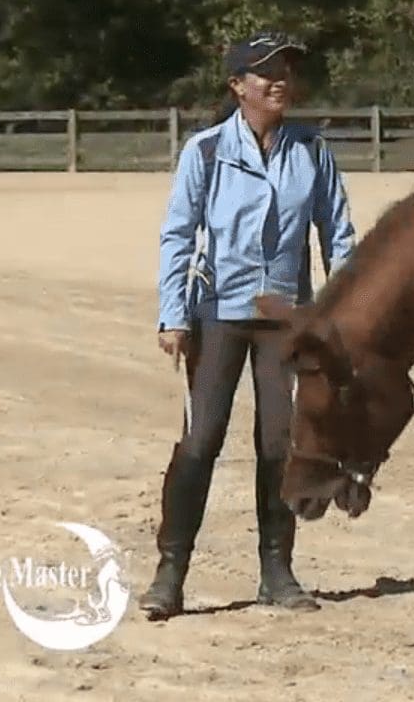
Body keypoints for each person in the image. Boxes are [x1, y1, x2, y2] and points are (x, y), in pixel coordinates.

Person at [139, 33, 359, 619]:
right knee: (201, 439)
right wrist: (173, 315)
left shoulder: (311, 152)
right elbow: (178, 235)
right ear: (238, 86)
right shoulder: (206, 152)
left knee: (279, 444)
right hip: (217, 316)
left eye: (286, 70)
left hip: (285, 320)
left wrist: (348, 307)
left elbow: (338, 233)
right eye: (266, 73)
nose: (280, 80)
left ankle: (277, 569)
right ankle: (171, 571)